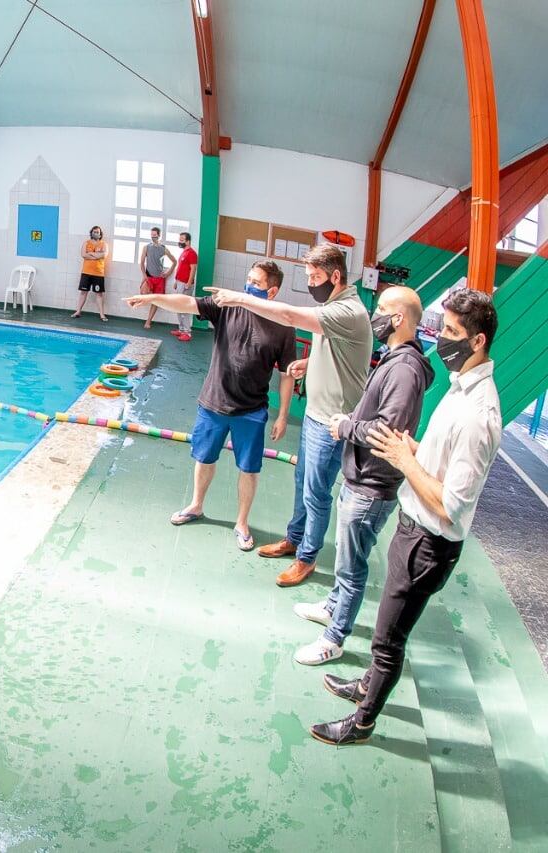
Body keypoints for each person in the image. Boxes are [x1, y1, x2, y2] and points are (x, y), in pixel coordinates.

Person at [311, 288, 500, 745]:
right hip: (412, 528)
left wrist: (403, 458)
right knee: (384, 626)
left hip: (428, 544)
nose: (442, 340)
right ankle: (366, 687)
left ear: (477, 341)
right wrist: (417, 452)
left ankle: (363, 722)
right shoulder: (460, 390)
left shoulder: (479, 414)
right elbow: (441, 465)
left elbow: (451, 505)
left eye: (453, 333)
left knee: (388, 640)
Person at [210, 243, 373, 587]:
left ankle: (307, 557)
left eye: (315, 277)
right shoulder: (334, 304)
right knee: (302, 484)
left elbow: (287, 316)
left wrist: (239, 298)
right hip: (316, 414)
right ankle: (294, 539)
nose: (311, 284)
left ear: (336, 276)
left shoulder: (349, 311)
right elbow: (342, 355)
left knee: (316, 492)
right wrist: (308, 363)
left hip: (333, 421)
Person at [291, 287, 433, 665]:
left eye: (383, 309)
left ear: (399, 318)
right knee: (344, 557)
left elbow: (388, 430)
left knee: (351, 566)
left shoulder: (404, 369)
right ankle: (333, 606)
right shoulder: (393, 359)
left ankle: (333, 638)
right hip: (361, 476)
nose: (377, 315)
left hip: (372, 484)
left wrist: (346, 426)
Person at [128, 260, 295, 550]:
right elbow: (187, 303)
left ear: (272, 291)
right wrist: (153, 297)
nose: (249, 285)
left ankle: (241, 522)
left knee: (249, 469)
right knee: (204, 458)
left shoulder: (283, 326)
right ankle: (196, 505)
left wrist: (282, 415)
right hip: (214, 402)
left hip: (252, 411)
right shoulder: (227, 305)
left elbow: (287, 374)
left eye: (257, 283)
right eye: (249, 278)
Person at [137, 226, 177, 329]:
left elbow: (174, 261)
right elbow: (141, 263)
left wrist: (168, 273)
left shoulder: (163, 249)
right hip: (149, 277)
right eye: (151, 235)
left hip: (160, 279)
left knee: (156, 301)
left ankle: (148, 321)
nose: (153, 237)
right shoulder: (146, 247)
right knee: (143, 294)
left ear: (159, 235)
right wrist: (145, 276)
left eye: (155, 235)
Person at [71, 225, 110, 321]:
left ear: (100, 234)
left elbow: (104, 255)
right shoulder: (86, 243)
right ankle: (78, 311)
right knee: (83, 292)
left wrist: (91, 254)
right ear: (91, 232)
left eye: (98, 232)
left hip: (98, 273)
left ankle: (102, 315)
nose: (96, 233)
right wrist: (97, 255)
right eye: (94, 231)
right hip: (86, 272)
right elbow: (83, 255)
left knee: (99, 294)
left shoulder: (104, 244)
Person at [171, 231, 198, 342]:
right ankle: (181, 330)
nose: (180, 241)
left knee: (184, 308)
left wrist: (189, 282)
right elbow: (180, 267)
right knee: (178, 307)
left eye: (182, 240)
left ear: (188, 241)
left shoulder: (192, 253)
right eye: (180, 239)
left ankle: (187, 332)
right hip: (180, 282)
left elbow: (193, 269)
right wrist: (176, 281)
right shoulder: (183, 252)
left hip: (186, 284)